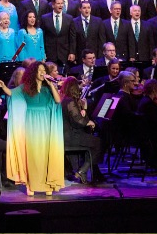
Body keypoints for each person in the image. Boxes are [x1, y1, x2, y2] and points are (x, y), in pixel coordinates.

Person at [6, 61, 64, 195]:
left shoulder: (48, 88)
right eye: (40, 70)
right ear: (33, 73)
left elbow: (58, 100)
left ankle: (47, 185)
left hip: (45, 123)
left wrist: (51, 84)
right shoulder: (25, 88)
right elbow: (11, 93)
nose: (43, 72)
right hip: (30, 122)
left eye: (44, 70)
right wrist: (2, 86)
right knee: (32, 154)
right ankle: (31, 184)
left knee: (45, 153)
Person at [59, 76, 103, 184]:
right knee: (98, 143)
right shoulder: (70, 101)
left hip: (68, 134)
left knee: (94, 142)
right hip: (70, 136)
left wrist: (84, 109)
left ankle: (84, 170)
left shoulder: (64, 100)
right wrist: (89, 122)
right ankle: (82, 170)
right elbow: (78, 121)